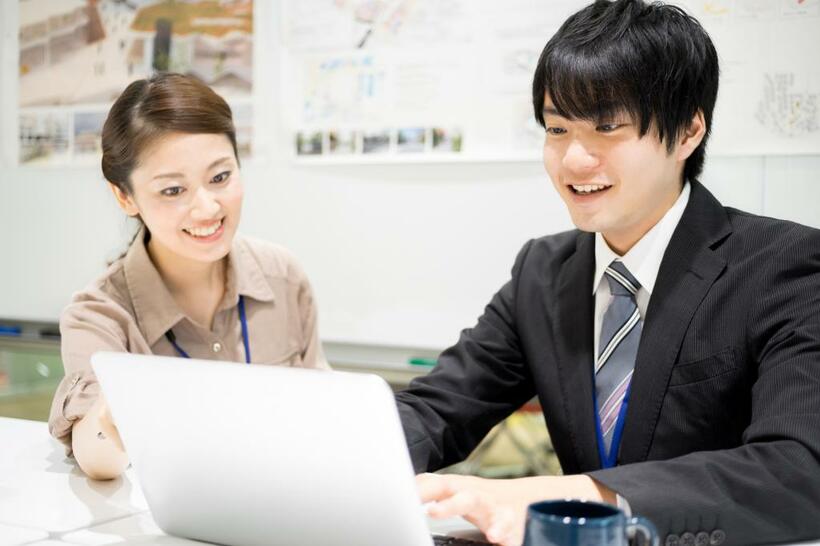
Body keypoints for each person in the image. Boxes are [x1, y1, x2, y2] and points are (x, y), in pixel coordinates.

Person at [395, 1, 820, 545]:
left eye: (607, 127)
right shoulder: (543, 272)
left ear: (688, 131)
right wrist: (345, 460)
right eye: (556, 128)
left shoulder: (785, 265)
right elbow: (440, 408)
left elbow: (796, 468)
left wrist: (575, 495)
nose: (573, 160)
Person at [48, 73, 329, 480]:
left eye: (220, 177)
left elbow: (320, 410)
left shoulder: (282, 275)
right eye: (172, 191)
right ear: (124, 196)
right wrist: (116, 412)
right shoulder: (99, 315)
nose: (207, 208)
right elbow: (95, 454)